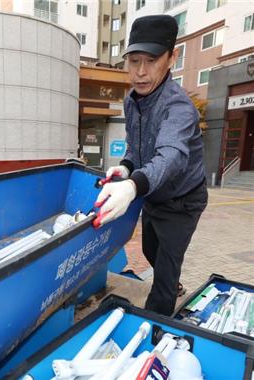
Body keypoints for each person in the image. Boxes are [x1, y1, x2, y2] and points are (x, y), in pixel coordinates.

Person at [95, 15, 208, 316]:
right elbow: (136, 146)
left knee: (165, 276)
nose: (141, 72)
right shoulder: (132, 100)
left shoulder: (179, 107)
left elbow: (170, 155)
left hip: (183, 201)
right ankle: (171, 281)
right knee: (148, 251)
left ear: (171, 58)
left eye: (152, 60)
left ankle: (154, 331)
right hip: (152, 193)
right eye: (134, 61)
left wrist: (132, 187)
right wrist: (127, 167)